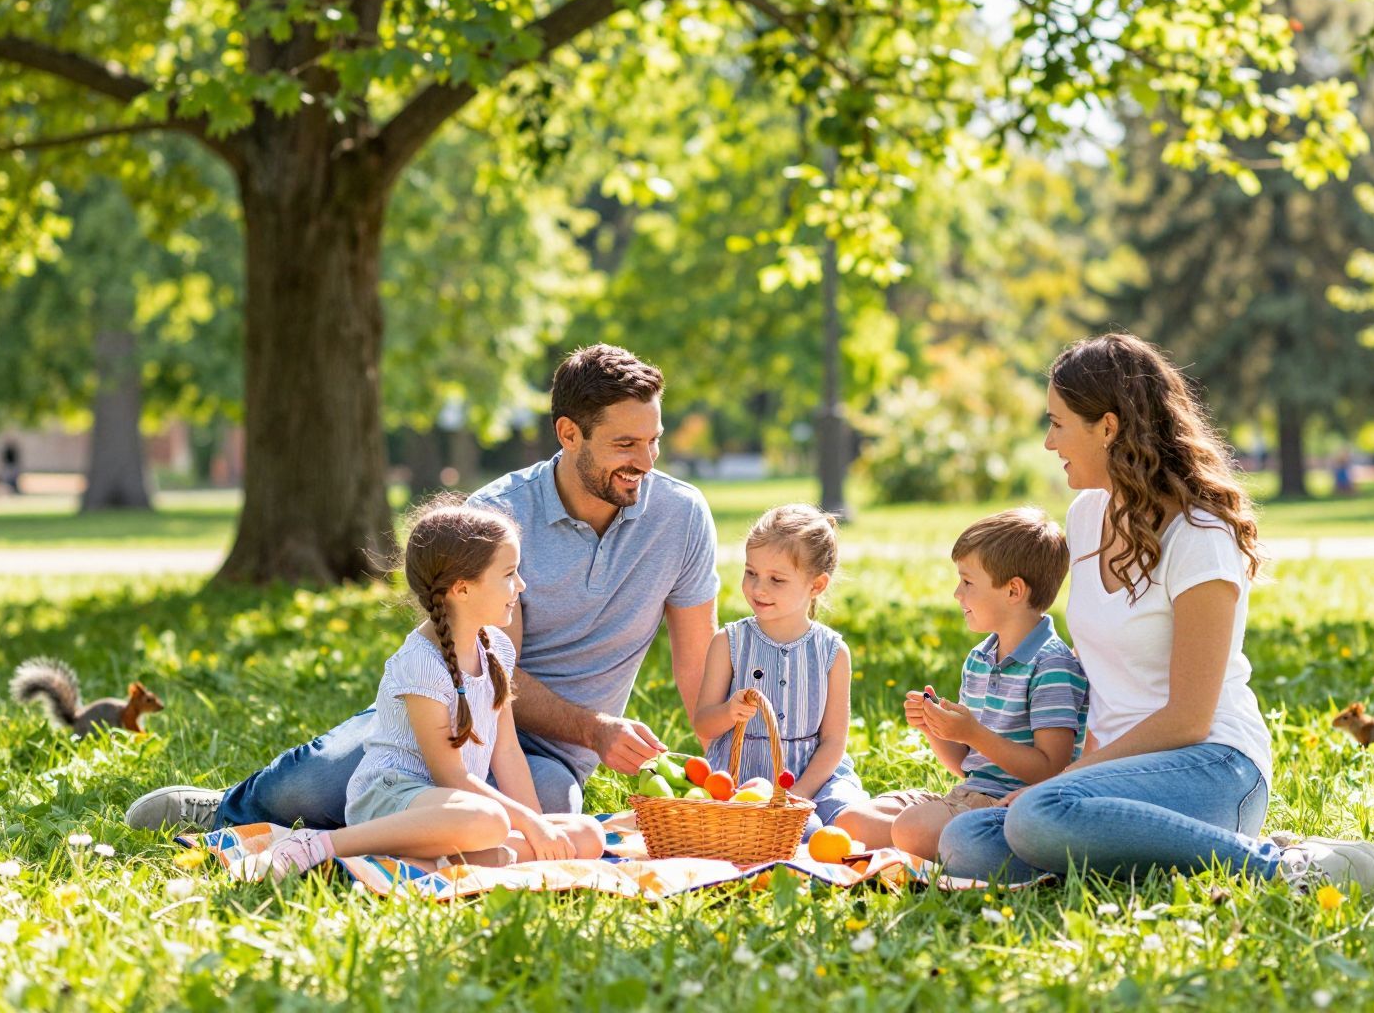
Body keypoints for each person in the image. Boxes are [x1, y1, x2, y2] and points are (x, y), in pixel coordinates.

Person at [126, 344, 719, 831]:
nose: (646, 461)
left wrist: (731, 774)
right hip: (447, 717)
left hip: (546, 756)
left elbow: (701, 676)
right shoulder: (500, 516)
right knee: (311, 788)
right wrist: (595, 728)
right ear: (569, 433)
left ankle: (364, 837)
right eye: (625, 444)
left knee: (543, 815)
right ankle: (233, 809)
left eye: (654, 440)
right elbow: (492, 670)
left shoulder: (682, 517)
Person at [936, 333, 1374, 892]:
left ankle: (1290, 869)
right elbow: (1106, 691)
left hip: (1213, 767)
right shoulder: (1085, 516)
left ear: (1107, 427)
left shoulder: (1200, 535)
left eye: (1057, 423)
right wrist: (1064, 779)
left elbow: (1187, 719)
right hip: (1111, 775)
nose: (1049, 441)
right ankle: (1166, 855)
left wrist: (1064, 784)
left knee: (1036, 817)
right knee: (966, 841)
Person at [249, 501, 604, 882]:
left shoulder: (497, 647)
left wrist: (536, 827)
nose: (520, 585)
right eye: (509, 574)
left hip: (453, 809)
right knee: (489, 820)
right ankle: (320, 846)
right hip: (391, 799)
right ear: (462, 589)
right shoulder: (421, 663)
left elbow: (507, 751)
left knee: (588, 835)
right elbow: (451, 776)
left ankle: (430, 864)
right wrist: (529, 830)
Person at [833, 509, 1087, 861]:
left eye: (967, 582)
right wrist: (934, 727)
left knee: (912, 828)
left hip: (1010, 807)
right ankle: (921, 845)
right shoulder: (980, 659)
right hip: (967, 795)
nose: (957, 593)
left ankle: (927, 844)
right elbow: (967, 764)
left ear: (1013, 590)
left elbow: (1050, 768)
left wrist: (973, 733)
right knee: (850, 822)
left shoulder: (1052, 664)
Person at [692, 504, 868, 837]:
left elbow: (833, 742)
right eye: (751, 572)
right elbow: (703, 722)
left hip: (816, 778)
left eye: (776, 579)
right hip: (744, 778)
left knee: (849, 821)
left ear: (816, 586)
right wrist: (729, 712)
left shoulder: (832, 652)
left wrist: (800, 794)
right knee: (797, 831)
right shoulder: (729, 643)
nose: (759, 588)